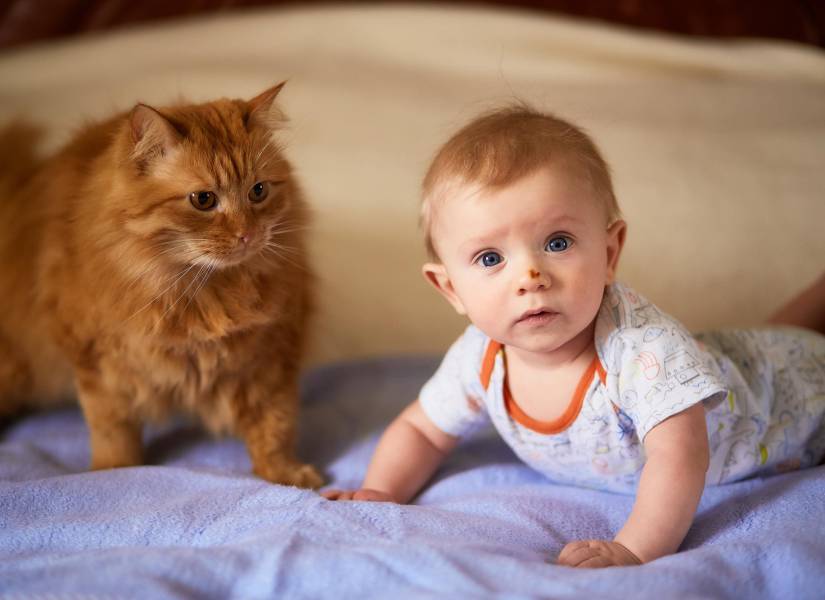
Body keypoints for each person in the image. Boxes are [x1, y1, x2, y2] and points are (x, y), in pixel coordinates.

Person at [323, 105, 825, 568]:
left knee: (786, 353)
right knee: (765, 338)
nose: (529, 275)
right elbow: (423, 429)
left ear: (609, 253)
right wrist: (380, 490)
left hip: (793, 399)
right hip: (742, 353)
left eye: (557, 243)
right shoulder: (479, 357)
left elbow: (681, 454)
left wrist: (634, 548)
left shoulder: (641, 350)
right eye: (490, 259)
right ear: (450, 287)